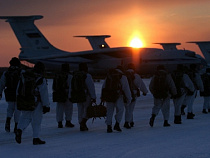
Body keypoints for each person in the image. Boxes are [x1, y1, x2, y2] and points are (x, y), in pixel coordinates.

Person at [15, 62, 50, 145]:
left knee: (25, 117)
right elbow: (44, 93)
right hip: (36, 102)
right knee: (36, 120)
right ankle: (36, 138)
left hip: (25, 100)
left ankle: (19, 129)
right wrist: (46, 105)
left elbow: (18, 89)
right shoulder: (41, 79)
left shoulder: (25, 76)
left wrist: (19, 99)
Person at [101, 66, 131, 133]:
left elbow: (104, 86)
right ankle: (117, 124)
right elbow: (126, 89)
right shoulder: (123, 77)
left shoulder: (109, 76)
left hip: (109, 96)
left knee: (109, 111)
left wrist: (102, 97)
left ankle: (109, 126)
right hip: (118, 96)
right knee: (120, 110)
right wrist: (129, 98)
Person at [72, 63, 96, 131]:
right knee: (87, 110)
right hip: (86, 96)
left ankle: (81, 123)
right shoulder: (87, 76)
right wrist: (93, 97)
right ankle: (83, 123)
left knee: (80, 110)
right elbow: (91, 87)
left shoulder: (75, 75)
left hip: (78, 95)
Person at [0, 57, 21, 133]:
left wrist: (0, 93)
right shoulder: (21, 72)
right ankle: (16, 126)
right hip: (19, 94)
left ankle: (8, 121)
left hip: (9, 93)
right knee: (17, 110)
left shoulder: (6, 73)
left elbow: (1, 84)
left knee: (10, 108)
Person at [124, 63, 148, 128]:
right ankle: (127, 122)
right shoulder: (136, 75)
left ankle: (130, 121)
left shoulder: (124, 75)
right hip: (133, 93)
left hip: (124, 94)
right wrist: (145, 91)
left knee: (127, 108)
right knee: (130, 109)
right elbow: (141, 84)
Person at [53, 63, 74, 128]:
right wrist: (70, 95)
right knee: (68, 108)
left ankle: (59, 122)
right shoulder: (70, 76)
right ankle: (68, 121)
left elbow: (54, 86)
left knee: (59, 109)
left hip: (59, 94)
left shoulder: (57, 76)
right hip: (67, 93)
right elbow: (71, 86)